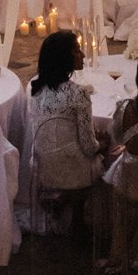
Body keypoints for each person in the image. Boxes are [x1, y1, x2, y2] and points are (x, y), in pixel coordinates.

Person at [29, 29, 105, 189]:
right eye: (77, 51)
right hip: (74, 172)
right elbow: (89, 148)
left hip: (43, 167)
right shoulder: (79, 93)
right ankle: (85, 208)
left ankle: (61, 204)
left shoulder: (36, 88)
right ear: (64, 57)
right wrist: (103, 143)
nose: (83, 55)